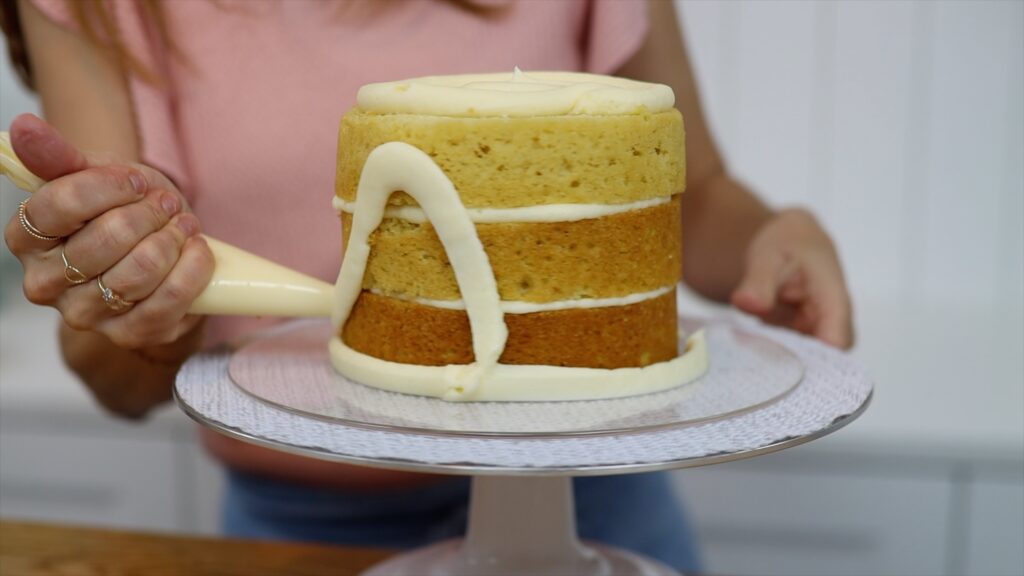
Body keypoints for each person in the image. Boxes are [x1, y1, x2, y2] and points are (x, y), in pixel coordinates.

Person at [1, 0, 853, 571]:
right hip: (308, 534)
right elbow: (111, 370)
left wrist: (770, 237)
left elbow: (688, 195)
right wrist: (143, 284)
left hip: (596, 508)